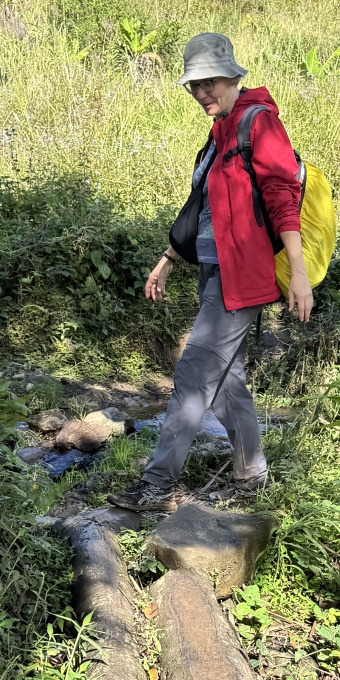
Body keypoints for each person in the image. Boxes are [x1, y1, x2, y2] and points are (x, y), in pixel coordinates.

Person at [110, 32, 313, 514]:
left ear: (231, 76)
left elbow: (282, 199)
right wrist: (167, 259)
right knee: (225, 382)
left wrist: (298, 272)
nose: (202, 93)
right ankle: (252, 476)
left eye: (209, 83)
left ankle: (157, 485)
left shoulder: (258, 123)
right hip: (212, 271)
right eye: (194, 86)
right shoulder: (220, 131)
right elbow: (201, 209)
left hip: (239, 277)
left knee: (193, 376)